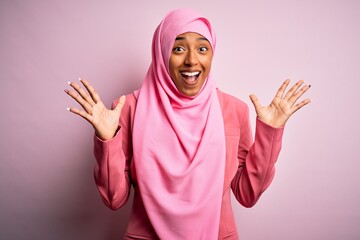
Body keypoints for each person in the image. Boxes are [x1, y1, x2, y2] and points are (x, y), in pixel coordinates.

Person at [65, 8, 311, 240]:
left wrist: (270, 134)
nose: (192, 60)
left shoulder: (233, 110)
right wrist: (107, 141)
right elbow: (114, 199)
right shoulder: (129, 107)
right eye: (179, 48)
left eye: (202, 49)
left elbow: (247, 195)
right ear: (161, 53)